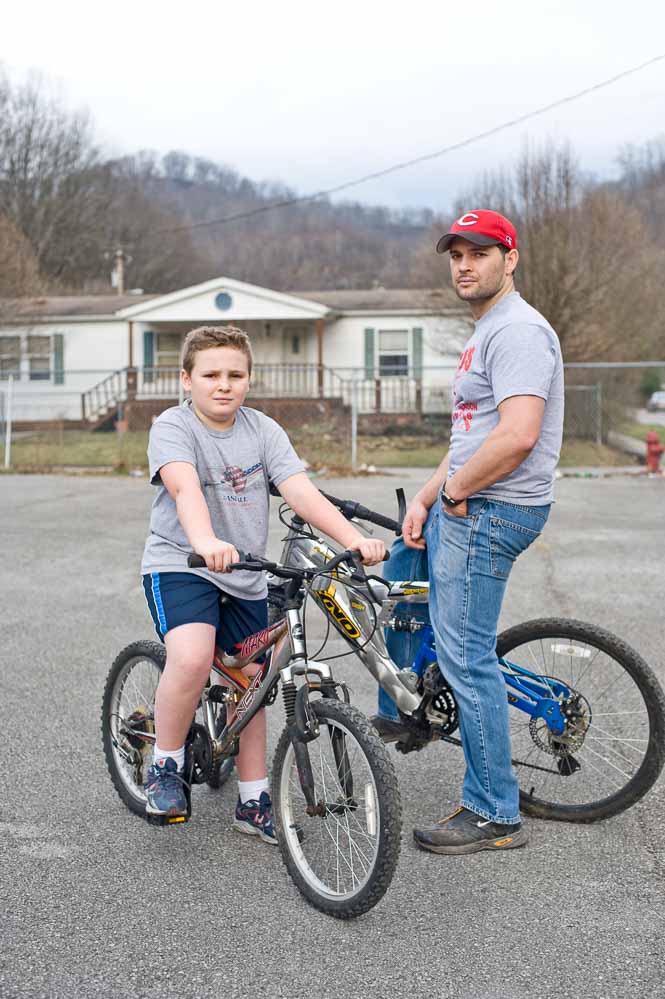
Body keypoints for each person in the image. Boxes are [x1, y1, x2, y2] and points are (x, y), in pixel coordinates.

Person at [141, 325, 385, 839]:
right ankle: (165, 764)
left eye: (235, 374)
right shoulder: (172, 426)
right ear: (187, 379)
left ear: (249, 379)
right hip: (182, 564)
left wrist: (353, 539)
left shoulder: (263, 430)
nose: (223, 384)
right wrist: (206, 541)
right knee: (190, 655)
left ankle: (253, 801)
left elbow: (302, 493)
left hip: (246, 574)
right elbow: (184, 489)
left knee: (253, 681)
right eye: (210, 375)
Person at [401, 209, 564, 855]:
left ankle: (493, 811)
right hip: (468, 501)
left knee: (465, 656)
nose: (465, 264)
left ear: (510, 258)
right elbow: (474, 432)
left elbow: (517, 435)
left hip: (490, 509)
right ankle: (407, 715)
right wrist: (426, 495)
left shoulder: (518, 330)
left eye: (480, 253)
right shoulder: (488, 329)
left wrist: (457, 492)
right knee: (406, 590)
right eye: (456, 255)